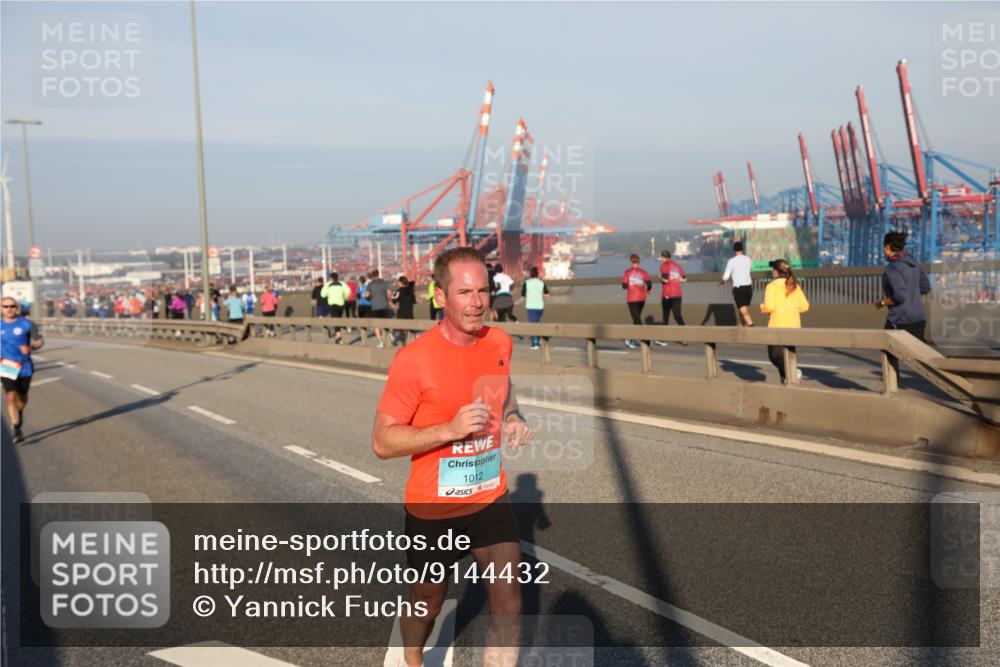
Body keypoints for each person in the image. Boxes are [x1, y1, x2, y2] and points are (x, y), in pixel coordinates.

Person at [372, 246, 533, 667]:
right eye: (464, 292)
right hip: (433, 508)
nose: (477, 302)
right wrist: (450, 430)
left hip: (488, 497)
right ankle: (411, 657)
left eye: (482, 290)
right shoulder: (414, 360)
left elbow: (504, 382)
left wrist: (512, 414)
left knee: (509, 599)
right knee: (427, 599)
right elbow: (383, 442)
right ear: (440, 297)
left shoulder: (498, 341)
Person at [876, 231, 931, 375]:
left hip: (900, 319)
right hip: (919, 317)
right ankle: (949, 371)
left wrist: (882, 302)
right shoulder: (913, 263)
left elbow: (899, 296)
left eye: (883, 247)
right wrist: (912, 295)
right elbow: (926, 287)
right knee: (922, 354)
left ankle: (892, 388)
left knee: (888, 350)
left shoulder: (892, 268)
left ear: (887, 247)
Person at [2, 297, 44, 444]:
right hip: (6, 366)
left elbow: (39, 340)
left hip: (25, 366)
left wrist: (31, 347)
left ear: (17, 307)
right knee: (11, 397)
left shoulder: (27, 324)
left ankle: (19, 412)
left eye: (12, 306)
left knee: (22, 397)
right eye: (5, 306)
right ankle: (17, 429)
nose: (9, 309)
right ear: (1, 309)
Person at [760, 259, 809, 384]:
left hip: (777, 327)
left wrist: (762, 307)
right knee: (788, 358)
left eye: (773, 269)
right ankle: (787, 387)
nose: (771, 271)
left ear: (776, 272)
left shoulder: (771, 286)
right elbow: (805, 307)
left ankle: (794, 372)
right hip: (793, 327)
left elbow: (769, 307)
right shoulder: (794, 286)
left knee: (775, 356)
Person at [656, 249, 688, 347]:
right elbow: (685, 279)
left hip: (667, 295)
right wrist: (676, 278)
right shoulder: (677, 266)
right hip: (677, 294)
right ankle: (685, 336)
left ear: (663, 257)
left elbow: (665, 280)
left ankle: (663, 339)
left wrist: (660, 278)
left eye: (661, 257)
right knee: (677, 315)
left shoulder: (664, 266)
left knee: (666, 317)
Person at [720, 241, 754, 327]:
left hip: (738, 288)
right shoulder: (748, 259)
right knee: (743, 308)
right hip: (748, 287)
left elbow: (726, 276)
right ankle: (742, 325)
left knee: (743, 310)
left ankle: (751, 325)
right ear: (742, 249)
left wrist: (722, 282)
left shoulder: (731, 261)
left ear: (734, 250)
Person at [621, 254, 652, 349]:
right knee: (636, 319)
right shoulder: (644, 272)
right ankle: (631, 340)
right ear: (638, 261)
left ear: (631, 261)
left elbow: (624, 286)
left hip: (632, 299)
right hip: (642, 299)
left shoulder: (627, 272)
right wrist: (647, 289)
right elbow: (649, 283)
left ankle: (646, 339)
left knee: (637, 319)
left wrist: (630, 284)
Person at [521, 266, 549, 349]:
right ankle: (537, 338)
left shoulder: (527, 282)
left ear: (530, 274)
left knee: (533, 325)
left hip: (531, 306)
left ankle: (535, 343)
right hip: (540, 306)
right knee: (536, 323)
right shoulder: (541, 283)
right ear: (537, 274)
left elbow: (523, 294)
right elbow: (547, 294)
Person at [365, 270, 393, 348]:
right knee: (386, 322)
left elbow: (366, 295)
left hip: (375, 307)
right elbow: (389, 293)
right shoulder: (384, 283)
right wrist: (388, 300)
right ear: (378, 274)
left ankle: (381, 342)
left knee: (376, 326)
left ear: (372, 276)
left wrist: (369, 298)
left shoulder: (370, 284)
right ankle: (390, 334)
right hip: (385, 305)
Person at [321, 272, 348, 344]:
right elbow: (348, 291)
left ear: (331, 278)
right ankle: (337, 337)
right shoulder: (342, 284)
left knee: (335, 320)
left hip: (332, 304)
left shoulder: (328, 285)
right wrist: (344, 298)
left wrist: (329, 296)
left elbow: (323, 294)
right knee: (338, 319)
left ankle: (339, 336)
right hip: (341, 304)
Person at [391, 276, 417, 346]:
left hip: (401, 312)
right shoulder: (411, 291)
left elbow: (393, 301)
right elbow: (414, 301)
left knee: (401, 329)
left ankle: (404, 345)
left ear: (400, 282)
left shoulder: (398, 291)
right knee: (412, 328)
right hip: (410, 311)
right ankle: (414, 343)